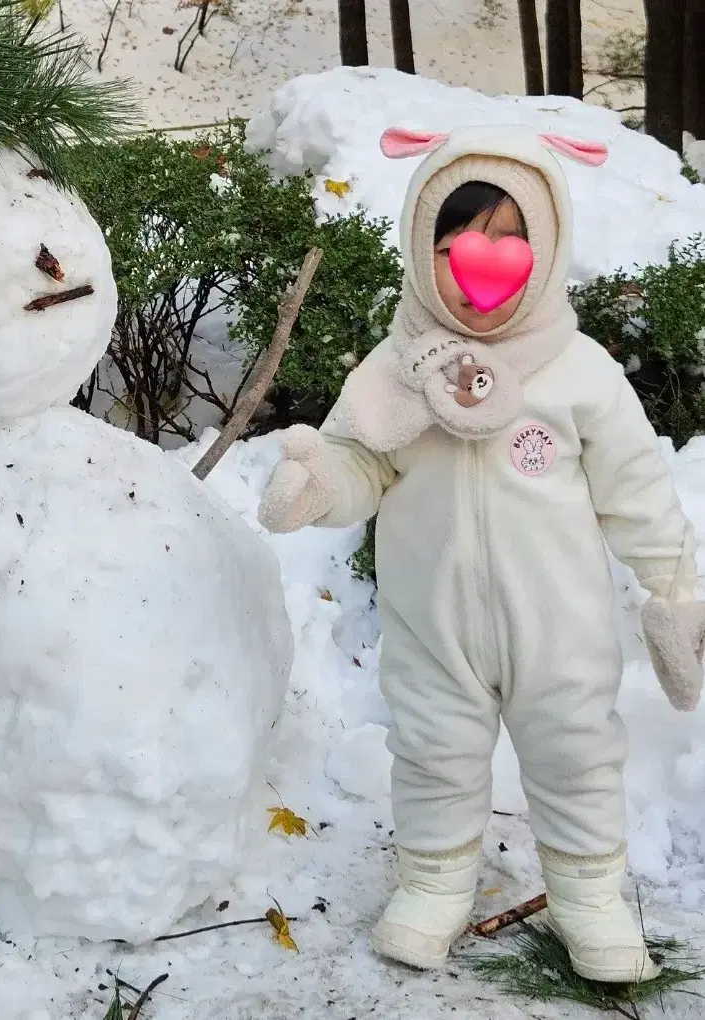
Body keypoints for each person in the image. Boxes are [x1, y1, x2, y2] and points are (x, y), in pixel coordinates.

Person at [257, 125, 705, 983]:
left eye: (509, 238)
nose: (481, 261)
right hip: (434, 623)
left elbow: (636, 489)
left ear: (545, 246)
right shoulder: (398, 368)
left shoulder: (578, 373)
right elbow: (362, 461)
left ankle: (591, 897)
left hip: (559, 625)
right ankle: (432, 884)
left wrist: (672, 586)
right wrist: (315, 486)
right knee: (432, 752)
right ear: (425, 248)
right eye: (457, 238)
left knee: (576, 754)